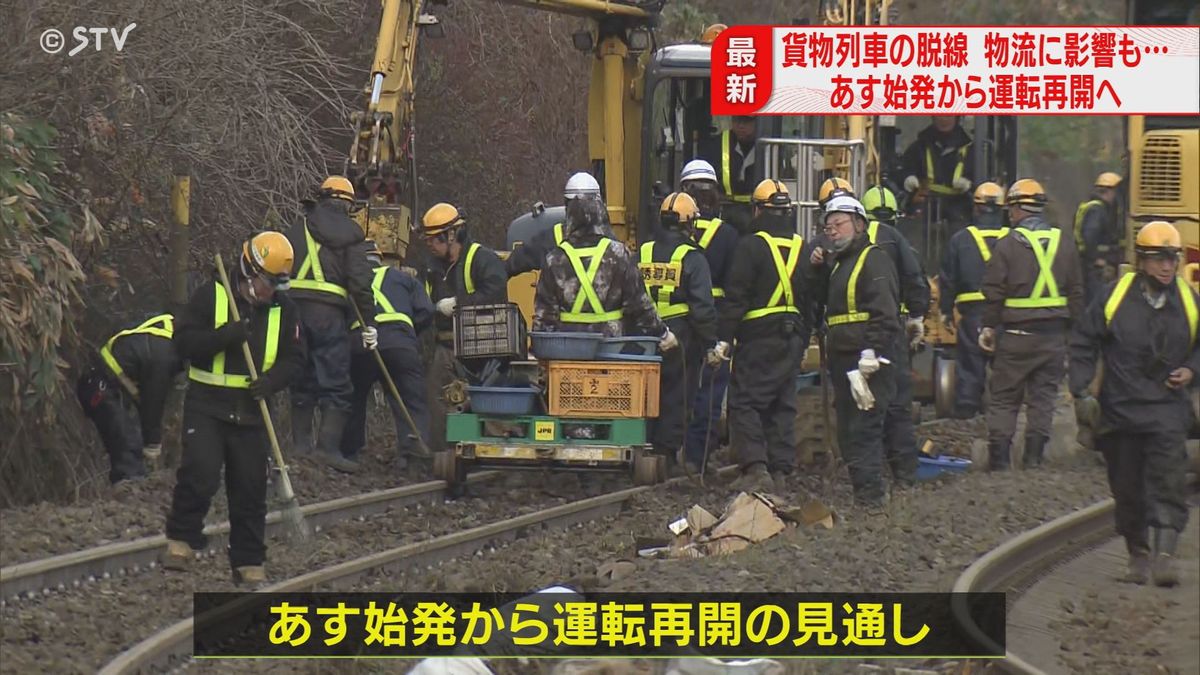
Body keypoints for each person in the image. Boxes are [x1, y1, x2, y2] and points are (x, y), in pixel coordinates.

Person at [163, 232, 305, 584]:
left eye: (277, 285)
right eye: (267, 283)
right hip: (207, 406)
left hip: (253, 412)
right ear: (248, 270)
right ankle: (182, 538)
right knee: (200, 472)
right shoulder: (211, 296)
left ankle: (248, 561)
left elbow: (295, 359)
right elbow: (183, 345)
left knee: (250, 489)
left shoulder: (285, 311)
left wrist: (271, 383)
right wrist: (226, 336)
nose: (271, 291)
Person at [1070, 221, 1198, 587]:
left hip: (1167, 410)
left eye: (1172, 259)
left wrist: (1191, 369)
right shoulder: (1112, 298)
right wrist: (1081, 392)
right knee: (1127, 487)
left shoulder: (1189, 301)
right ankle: (1137, 556)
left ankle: (1165, 556)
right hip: (1119, 411)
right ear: (1141, 261)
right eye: (1159, 259)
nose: (1167, 266)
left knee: (1169, 482)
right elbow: (1083, 340)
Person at [979, 179, 1085, 470]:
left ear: (1016, 208)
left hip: (1015, 337)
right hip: (1053, 339)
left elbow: (994, 292)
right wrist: (1073, 333)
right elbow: (1076, 292)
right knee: (1043, 398)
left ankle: (1000, 462)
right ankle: (1034, 460)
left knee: (1004, 398)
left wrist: (988, 327)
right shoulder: (1064, 242)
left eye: (1010, 209)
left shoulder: (1007, 245)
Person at [713, 179, 810, 493]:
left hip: (758, 338)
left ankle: (755, 468)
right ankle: (780, 469)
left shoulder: (750, 245)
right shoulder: (803, 247)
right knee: (782, 403)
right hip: (793, 336)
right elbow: (813, 297)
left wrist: (724, 338)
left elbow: (736, 296)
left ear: (758, 210)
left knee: (745, 402)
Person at [285, 175, 376, 473]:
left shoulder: (295, 230)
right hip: (329, 317)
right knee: (335, 381)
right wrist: (368, 322)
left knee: (301, 378)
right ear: (348, 205)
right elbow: (360, 283)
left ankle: (300, 447)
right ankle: (328, 449)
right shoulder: (352, 235)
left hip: (293, 313)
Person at [817, 195, 901, 508]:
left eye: (839, 224)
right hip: (845, 360)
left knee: (864, 429)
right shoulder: (839, 264)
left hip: (868, 361)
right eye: (829, 227)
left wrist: (873, 351)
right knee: (849, 431)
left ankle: (871, 499)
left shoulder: (873, 259)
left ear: (859, 224)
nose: (833, 231)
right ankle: (864, 496)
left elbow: (884, 310)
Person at [533, 172, 673, 345]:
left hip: (567, 354)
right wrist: (663, 334)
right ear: (600, 207)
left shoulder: (554, 259)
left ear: (567, 209)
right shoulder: (619, 255)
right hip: (611, 352)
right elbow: (639, 307)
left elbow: (544, 320)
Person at [421, 201, 508, 448]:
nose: (430, 246)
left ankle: (494, 453)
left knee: (487, 402)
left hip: (485, 349)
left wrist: (459, 304)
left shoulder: (482, 259)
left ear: (451, 235)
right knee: (438, 398)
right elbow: (425, 301)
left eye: (433, 240)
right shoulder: (433, 268)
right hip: (447, 346)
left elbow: (496, 293)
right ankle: (445, 454)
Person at [640, 192, 717, 469]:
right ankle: (666, 455)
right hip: (680, 337)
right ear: (688, 224)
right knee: (676, 395)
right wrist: (711, 344)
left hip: (642, 336)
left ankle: (642, 447)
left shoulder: (642, 250)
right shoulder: (692, 257)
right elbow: (702, 307)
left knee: (643, 393)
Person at [342, 240, 434, 469]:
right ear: (380, 259)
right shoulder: (404, 279)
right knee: (410, 399)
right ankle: (412, 454)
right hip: (400, 345)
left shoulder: (350, 283)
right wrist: (408, 333)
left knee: (354, 398)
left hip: (362, 344)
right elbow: (427, 310)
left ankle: (350, 453)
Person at [680, 160, 738, 474]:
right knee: (710, 390)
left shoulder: (669, 233)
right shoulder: (728, 236)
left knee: (676, 388)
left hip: (673, 323)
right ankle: (696, 459)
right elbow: (736, 287)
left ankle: (666, 451)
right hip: (713, 322)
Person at [77, 313, 182, 483]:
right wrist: (153, 442)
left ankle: (130, 490)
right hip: (101, 387)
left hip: (101, 383)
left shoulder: (160, 329)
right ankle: (129, 494)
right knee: (128, 447)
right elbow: (153, 402)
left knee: (130, 442)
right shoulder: (164, 355)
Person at [937, 182, 1010, 418]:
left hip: (973, 314)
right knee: (1005, 363)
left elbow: (948, 279)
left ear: (976, 208)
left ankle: (967, 408)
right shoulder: (1016, 239)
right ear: (1002, 209)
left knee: (970, 362)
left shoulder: (961, 239)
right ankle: (1003, 408)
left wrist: (945, 310)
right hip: (1007, 313)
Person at [900, 116, 974, 229]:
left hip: (959, 206)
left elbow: (982, 178)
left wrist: (970, 185)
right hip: (927, 205)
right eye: (940, 114)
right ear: (933, 117)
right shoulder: (920, 146)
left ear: (957, 117)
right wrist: (907, 178)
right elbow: (904, 169)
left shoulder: (971, 148)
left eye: (948, 115)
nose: (944, 119)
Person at [1074, 171, 1124, 303]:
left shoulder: (1093, 206)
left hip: (1089, 263)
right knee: (1096, 301)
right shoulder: (1097, 210)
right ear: (1109, 191)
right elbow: (1090, 235)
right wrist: (1097, 259)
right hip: (1094, 266)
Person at [704, 115, 757, 232]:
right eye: (737, 120)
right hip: (724, 211)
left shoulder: (769, 145)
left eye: (747, 121)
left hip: (756, 212)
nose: (741, 126)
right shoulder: (715, 145)